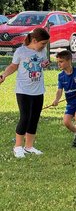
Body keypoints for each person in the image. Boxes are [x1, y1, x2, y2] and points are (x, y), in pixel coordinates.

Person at [0, 28, 50, 158]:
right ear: (34, 40)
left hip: (38, 90)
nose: (44, 46)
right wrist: (4, 75)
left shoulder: (42, 51)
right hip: (23, 91)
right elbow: (13, 66)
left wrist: (45, 64)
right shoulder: (21, 51)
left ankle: (29, 146)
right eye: (42, 43)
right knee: (25, 117)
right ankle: (17, 147)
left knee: (34, 118)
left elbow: (43, 63)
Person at [52, 50, 76, 148]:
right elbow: (60, 90)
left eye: (61, 62)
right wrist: (56, 99)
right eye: (58, 62)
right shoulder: (61, 76)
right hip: (71, 101)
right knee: (66, 122)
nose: (59, 64)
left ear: (69, 61)